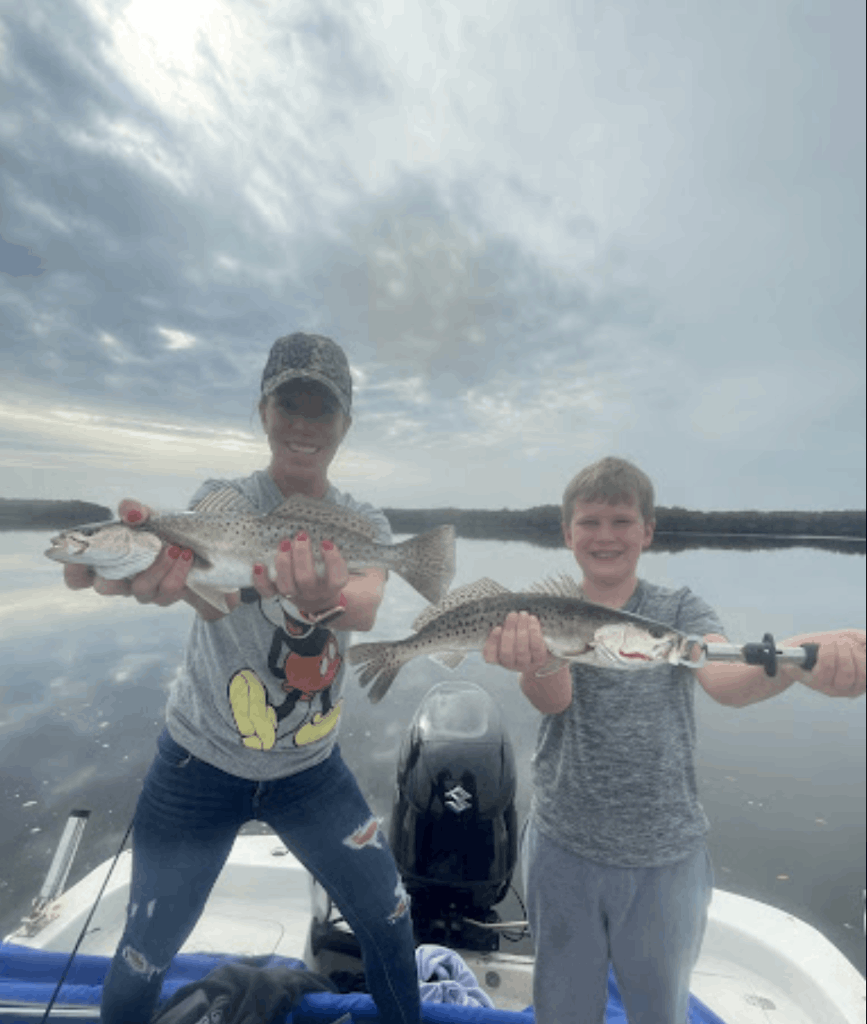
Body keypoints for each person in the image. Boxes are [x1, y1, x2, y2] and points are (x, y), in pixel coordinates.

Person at [63, 333, 423, 1024]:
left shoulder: (362, 522)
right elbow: (214, 595)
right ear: (264, 411)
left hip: (311, 771)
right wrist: (160, 580)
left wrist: (322, 597)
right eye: (290, 403)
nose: (303, 424)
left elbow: (370, 601)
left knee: (389, 922)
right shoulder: (217, 504)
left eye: (322, 409)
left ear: (345, 425)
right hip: (196, 765)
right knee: (144, 949)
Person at [482, 456, 866, 1024]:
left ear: (648, 531)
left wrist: (794, 661)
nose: (605, 535)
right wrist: (538, 661)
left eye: (621, 520)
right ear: (567, 533)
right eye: (590, 522)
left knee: (659, 1009)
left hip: (667, 859)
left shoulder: (677, 611)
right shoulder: (537, 615)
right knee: (563, 1008)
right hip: (564, 847)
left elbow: (725, 680)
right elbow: (555, 702)